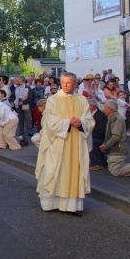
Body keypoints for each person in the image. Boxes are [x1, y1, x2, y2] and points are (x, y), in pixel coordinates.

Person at [35, 73, 95, 217]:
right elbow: (49, 121)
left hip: (76, 143)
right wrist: (68, 122)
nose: (66, 85)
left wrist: (81, 122)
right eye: (63, 82)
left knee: (74, 172)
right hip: (58, 143)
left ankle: (72, 206)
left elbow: (89, 119)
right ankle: (51, 203)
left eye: (69, 82)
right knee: (55, 170)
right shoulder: (53, 100)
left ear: (75, 83)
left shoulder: (81, 100)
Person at [99, 99, 130, 177]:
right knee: (113, 169)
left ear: (110, 109)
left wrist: (105, 146)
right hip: (114, 150)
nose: (103, 109)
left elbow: (115, 137)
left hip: (118, 150)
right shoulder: (112, 118)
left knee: (116, 171)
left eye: (105, 107)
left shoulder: (116, 119)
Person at [87, 99, 108, 171]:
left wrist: (89, 135)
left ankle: (97, 163)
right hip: (95, 135)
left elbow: (101, 132)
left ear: (91, 106)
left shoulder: (100, 116)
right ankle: (101, 160)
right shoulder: (91, 115)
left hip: (101, 137)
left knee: (92, 142)